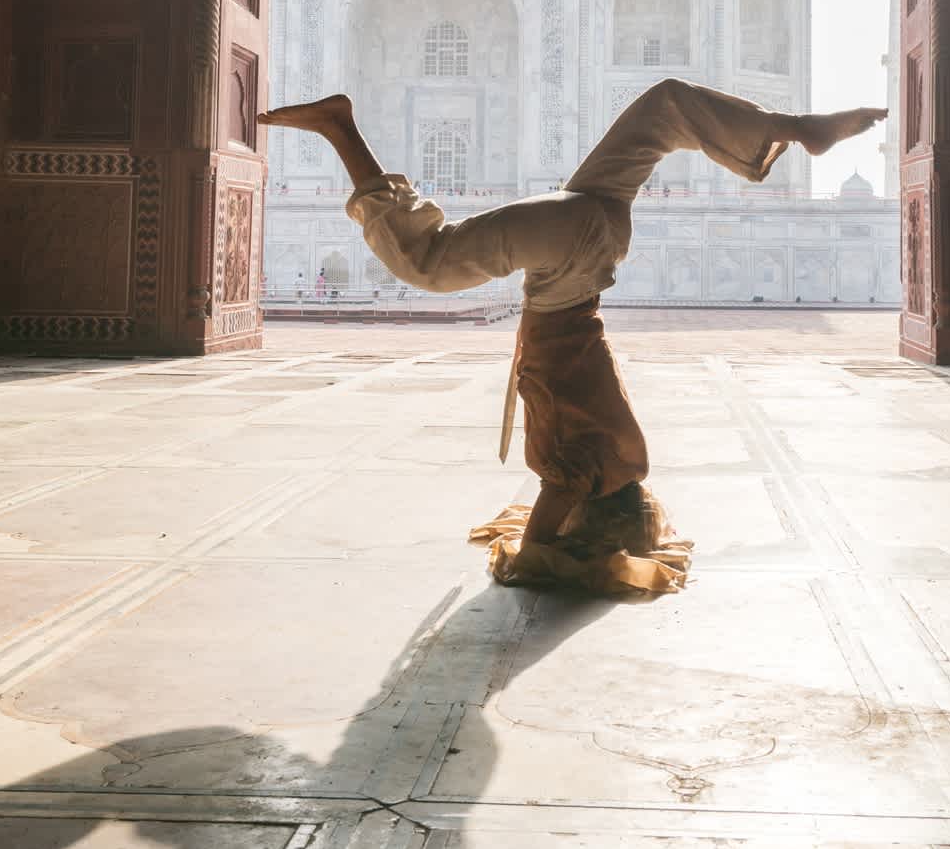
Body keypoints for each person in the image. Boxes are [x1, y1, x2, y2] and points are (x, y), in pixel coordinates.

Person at [258, 78, 883, 597]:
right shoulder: (581, 468)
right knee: (428, 260)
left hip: (601, 221)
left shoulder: (625, 452)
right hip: (570, 255)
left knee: (661, 110)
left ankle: (790, 129)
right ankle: (340, 127)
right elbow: (540, 537)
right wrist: (545, 551)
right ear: (592, 521)